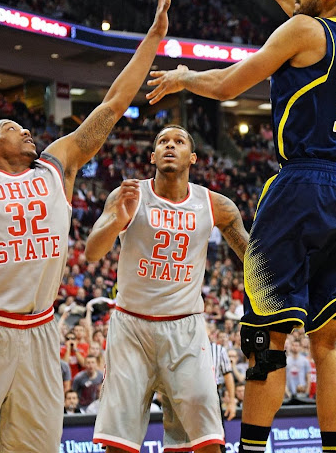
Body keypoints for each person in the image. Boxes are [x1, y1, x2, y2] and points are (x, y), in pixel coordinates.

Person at [146, 0, 336, 453]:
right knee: (328, 343)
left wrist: (185, 76)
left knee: (267, 337)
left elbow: (226, 86)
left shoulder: (302, 29)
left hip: (301, 189)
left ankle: (251, 450)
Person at [0, 0, 171, 453]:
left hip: (42, 330)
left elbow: (112, 105)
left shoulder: (55, 165)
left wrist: (152, 40)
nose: (26, 128)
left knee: (36, 446)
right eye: (13, 127)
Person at [85, 124, 249, 453]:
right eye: (162, 142)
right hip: (132, 327)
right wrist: (118, 220)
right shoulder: (129, 194)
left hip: (185, 328)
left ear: (193, 157)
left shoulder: (215, 204)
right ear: (152, 156)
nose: (169, 146)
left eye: (178, 142)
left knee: (207, 438)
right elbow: (91, 252)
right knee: (119, 442)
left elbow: (251, 257)